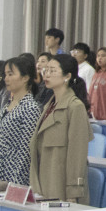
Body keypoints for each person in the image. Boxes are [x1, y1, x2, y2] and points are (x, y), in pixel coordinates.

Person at [29, 55, 93, 203]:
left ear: (67, 76)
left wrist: (73, 192)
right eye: (46, 70)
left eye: (52, 71)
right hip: (44, 182)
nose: (47, 75)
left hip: (62, 187)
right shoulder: (49, 106)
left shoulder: (75, 107)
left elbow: (77, 154)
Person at [0, 56, 43, 188]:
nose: (6, 79)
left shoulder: (30, 108)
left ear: (25, 78)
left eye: (11, 74)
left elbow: (26, 151)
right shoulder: (8, 105)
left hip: (15, 175)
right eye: (5, 75)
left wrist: (15, 184)